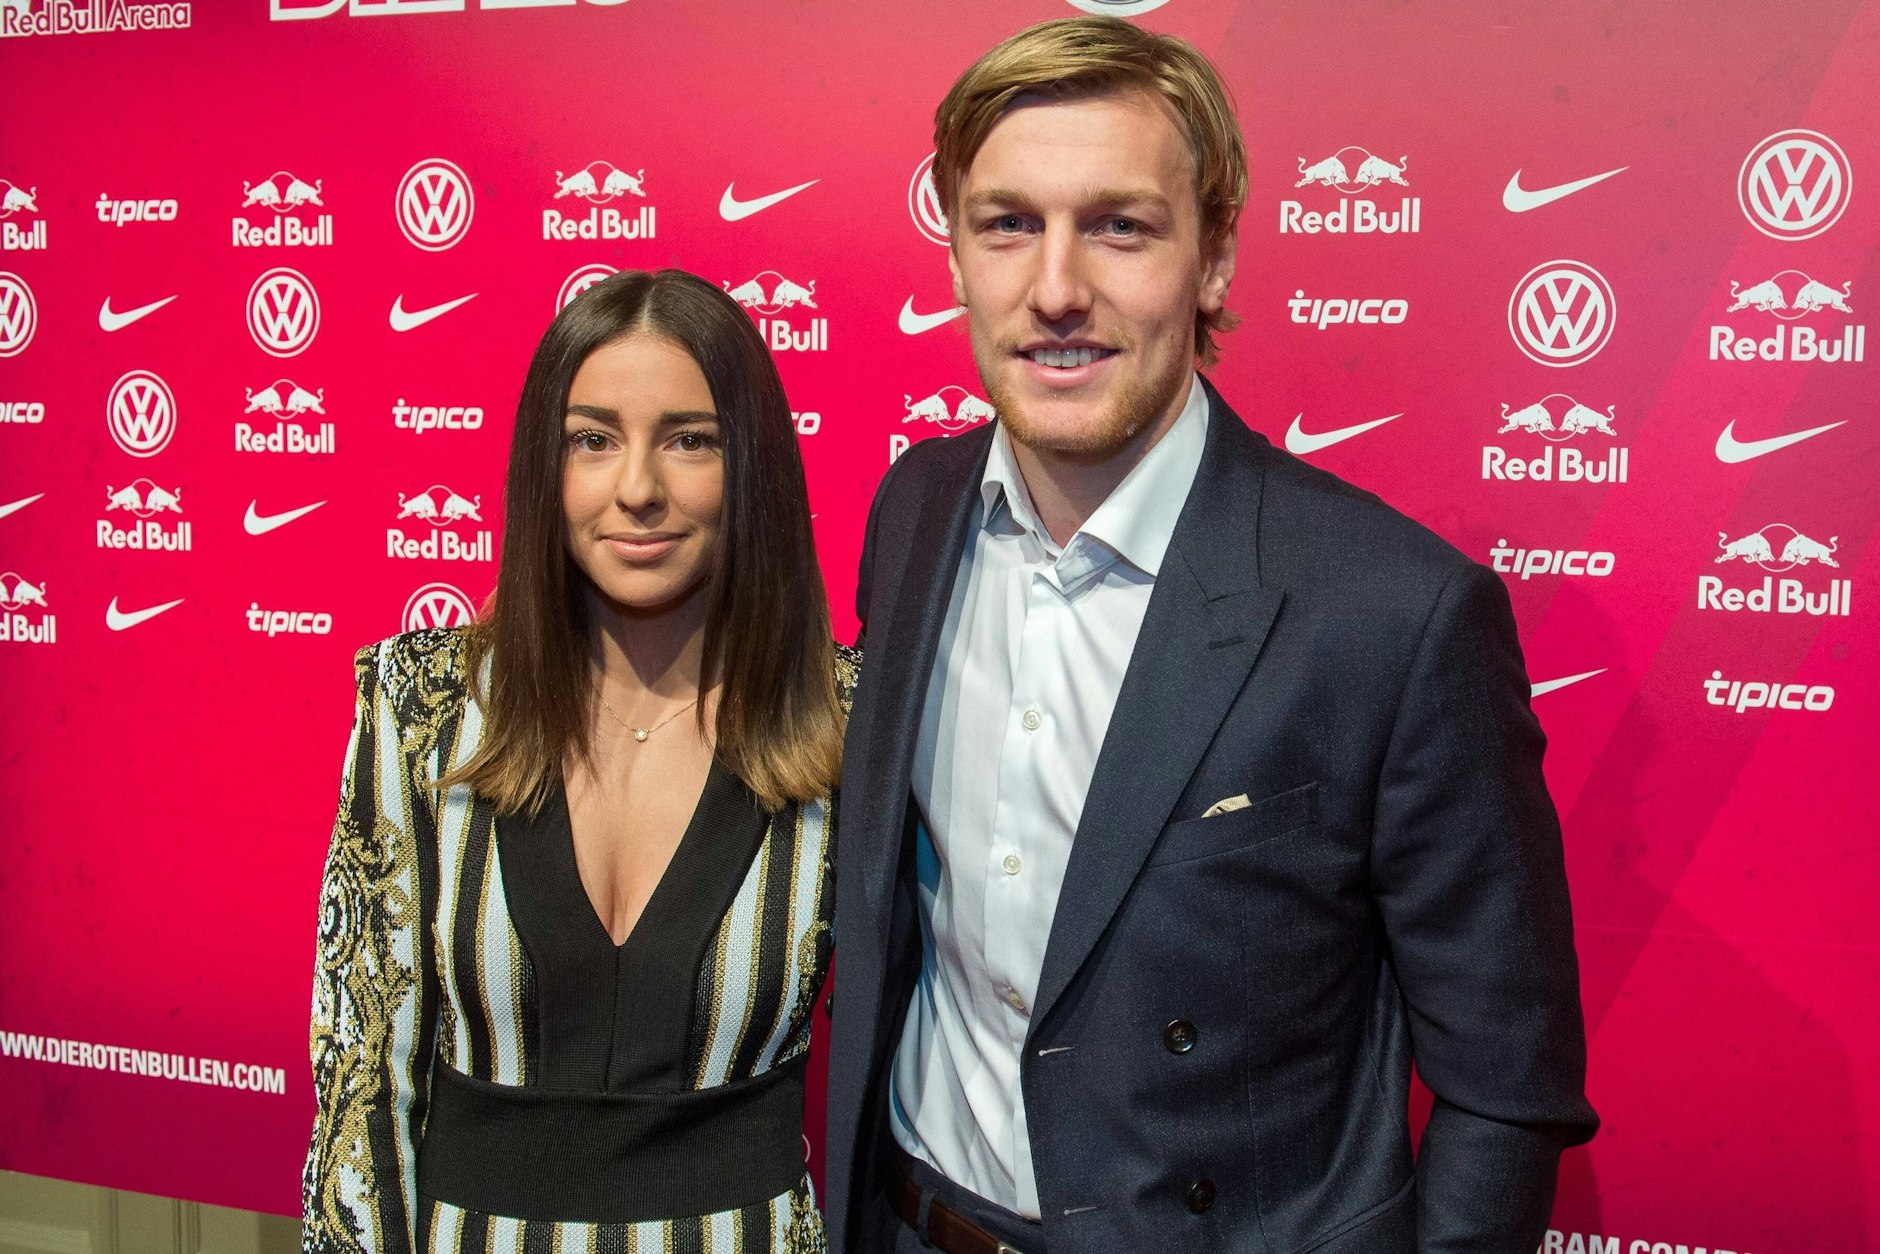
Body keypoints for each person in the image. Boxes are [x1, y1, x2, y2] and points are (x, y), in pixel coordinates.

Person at [825, 17, 1597, 1254]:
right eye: (1006, 223)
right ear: (958, 251)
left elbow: (1507, 1084)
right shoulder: (914, 512)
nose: (1055, 287)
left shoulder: (1393, 612)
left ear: (1215, 257)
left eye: (1118, 226)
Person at [303, 269, 856, 1253]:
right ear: (542, 470)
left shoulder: (850, 720)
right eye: (591, 440)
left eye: (689, 440)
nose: (636, 488)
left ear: (754, 467)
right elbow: (360, 1084)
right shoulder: (416, 705)